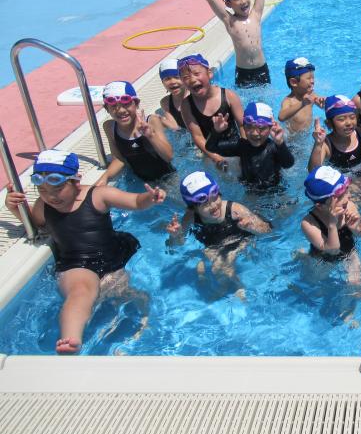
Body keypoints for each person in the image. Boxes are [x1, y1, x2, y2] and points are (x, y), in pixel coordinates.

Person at [4, 150, 165, 354]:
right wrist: (15, 209)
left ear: (76, 181)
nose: (51, 196)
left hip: (112, 258)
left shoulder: (98, 195)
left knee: (129, 296)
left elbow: (135, 201)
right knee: (79, 293)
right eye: (42, 190)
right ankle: (71, 341)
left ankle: (137, 328)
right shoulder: (44, 204)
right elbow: (38, 225)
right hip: (75, 263)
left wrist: (149, 198)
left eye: (58, 188)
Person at [166, 171, 271, 297]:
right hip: (214, 246)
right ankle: (226, 284)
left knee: (219, 265)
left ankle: (238, 286)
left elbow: (267, 231)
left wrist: (251, 226)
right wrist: (176, 235)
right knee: (202, 269)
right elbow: (176, 245)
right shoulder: (190, 217)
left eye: (215, 197)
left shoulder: (235, 209)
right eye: (205, 203)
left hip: (241, 241)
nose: (213, 205)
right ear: (193, 207)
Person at [184, 0, 270, 86]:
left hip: (261, 68)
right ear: (228, 3)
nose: (243, 1)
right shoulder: (230, 21)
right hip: (243, 72)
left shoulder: (256, 15)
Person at [98, 81, 175, 184]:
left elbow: (169, 156)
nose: (120, 110)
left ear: (136, 103)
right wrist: (104, 178)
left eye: (126, 104)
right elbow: (118, 159)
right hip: (138, 181)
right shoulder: (110, 127)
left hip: (168, 178)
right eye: (114, 106)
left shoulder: (152, 121)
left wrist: (151, 136)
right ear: (107, 108)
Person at [301, 166, 361, 283]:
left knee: (356, 284)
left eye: (347, 189)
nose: (348, 196)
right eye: (340, 196)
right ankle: (302, 255)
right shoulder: (309, 223)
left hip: (349, 252)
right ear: (320, 206)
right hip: (323, 257)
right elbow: (332, 250)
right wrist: (332, 224)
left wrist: (356, 227)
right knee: (314, 281)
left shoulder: (349, 205)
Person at [206, 101, 294, 189]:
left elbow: (288, 164)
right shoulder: (241, 145)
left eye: (261, 128)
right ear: (243, 126)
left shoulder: (274, 147)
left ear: (270, 127)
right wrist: (216, 131)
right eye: (249, 127)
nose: (255, 133)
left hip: (276, 191)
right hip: (251, 192)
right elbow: (210, 147)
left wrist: (280, 142)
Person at [178, 54, 245, 168]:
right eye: (186, 77)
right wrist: (216, 158)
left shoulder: (229, 96)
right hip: (209, 150)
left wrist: (245, 150)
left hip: (235, 144)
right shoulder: (186, 105)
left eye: (196, 74)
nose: (192, 79)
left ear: (209, 73)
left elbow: (243, 125)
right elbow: (197, 136)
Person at [308, 95, 361, 173]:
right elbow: (313, 172)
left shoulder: (360, 133)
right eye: (341, 119)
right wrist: (318, 144)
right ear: (329, 124)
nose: (349, 123)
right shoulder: (326, 144)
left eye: (352, 117)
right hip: (340, 179)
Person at [278, 57, 325, 133]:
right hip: (292, 139)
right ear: (294, 82)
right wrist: (302, 104)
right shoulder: (288, 100)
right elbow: (281, 117)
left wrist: (324, 102)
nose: (312, 81)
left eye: (313, 78)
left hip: (306, 136)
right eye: (309, 78)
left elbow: (323, 105)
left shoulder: (311, 95)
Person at [157, 58, 189, 130]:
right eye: (167, 79)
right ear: (162, 82)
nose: (172, 82)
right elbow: (175, 128)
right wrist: (161, 120)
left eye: (176, 77)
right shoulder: (166, 102)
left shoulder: (195, 94)